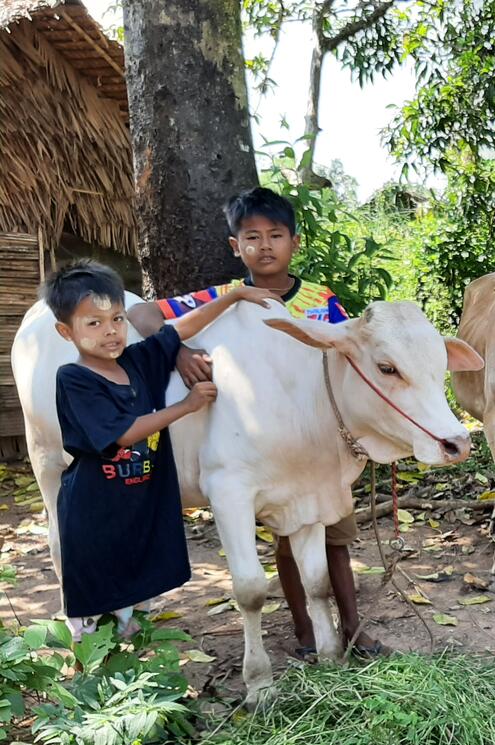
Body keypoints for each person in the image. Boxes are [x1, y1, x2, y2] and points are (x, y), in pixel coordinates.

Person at [127, 187, 384, 659]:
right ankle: (306, 632)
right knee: (290, 545)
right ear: (235, 246)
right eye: (252, 237)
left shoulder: (322, 303)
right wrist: (176, 349)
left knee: (338, 540)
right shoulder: (223, 298)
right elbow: (141, 313)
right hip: (266, 452)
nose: (265, 246)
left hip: (324, 446)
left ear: (294, 243)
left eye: (276, 235)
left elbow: (355, 359)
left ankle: (353, 629)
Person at [48, 260, 272, 640]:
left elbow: (178, 330)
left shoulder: (136, 361)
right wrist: (185, 407)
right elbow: (122, 434)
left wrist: (233, 296)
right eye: (94, 323)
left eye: (117, 319)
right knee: (98, 612)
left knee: (137, 601)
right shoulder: (74, 378)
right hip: (96, 512)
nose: (111, 331)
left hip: (138, 502)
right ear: (65, 331)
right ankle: (99, 686)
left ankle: (136, 682)